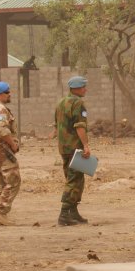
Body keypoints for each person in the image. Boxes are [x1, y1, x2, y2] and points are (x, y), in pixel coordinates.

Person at [54, 75, 91, 226]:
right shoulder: (78, 103)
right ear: (76, 88)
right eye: (83, 87)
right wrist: (86, 146)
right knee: (74, 180)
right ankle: (64, 213)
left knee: (76, 179)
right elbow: (80, 126)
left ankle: (73, 212)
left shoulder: (61, 102)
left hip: (64, 147)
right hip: (75, 147)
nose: (85, 89)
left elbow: (56, 126)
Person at [0, 81, 21, 226]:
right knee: (13, 179)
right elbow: (1, 130)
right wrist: (12, 144)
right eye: (7, 92)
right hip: (2, 148)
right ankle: (1, 211)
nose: (9, 94)